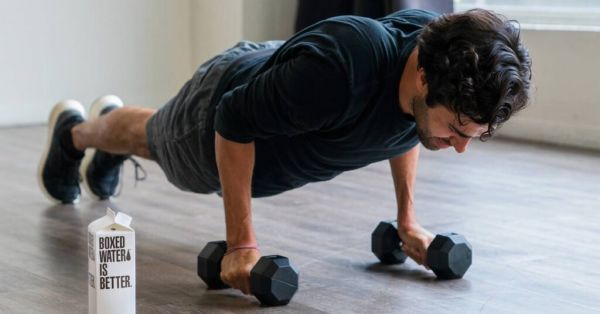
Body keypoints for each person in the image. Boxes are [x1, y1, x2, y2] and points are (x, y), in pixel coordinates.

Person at [38, 9, 531, 294]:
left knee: (151, 139)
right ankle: (75, 133)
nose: (461, 148)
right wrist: (241, 246)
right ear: (423, 78)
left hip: (287, 81)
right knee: (160, 143)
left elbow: (405, 129)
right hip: (222, 107)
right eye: (457, 129)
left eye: (474, 134)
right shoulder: (345, 72)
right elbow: (234, 119)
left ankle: (110, 141)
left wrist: (408, 221)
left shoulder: (434, 56)